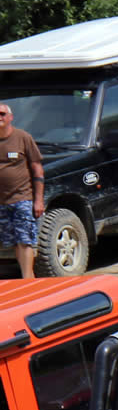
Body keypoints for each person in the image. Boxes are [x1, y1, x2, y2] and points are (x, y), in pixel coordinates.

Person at [0, 102, 45, 278]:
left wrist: (38, 200)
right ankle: (29, 278)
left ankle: (27, 281)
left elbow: (37, 169)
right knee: (14, 243)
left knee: (25, 241)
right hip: (2, 203)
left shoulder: (23, 137)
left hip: (22, 199)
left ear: (10, 117)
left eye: (2, 114)